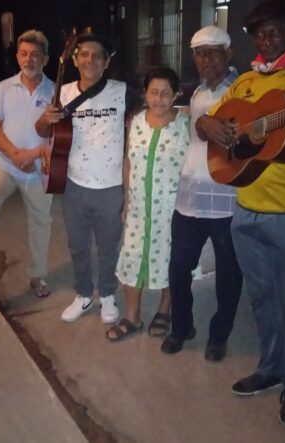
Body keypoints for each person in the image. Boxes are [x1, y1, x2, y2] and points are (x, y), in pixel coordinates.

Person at [195, 0, 285, 427]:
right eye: (260, 34)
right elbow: (211, 122)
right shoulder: (247, 84)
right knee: (262, 300)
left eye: (275, 31)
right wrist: (208, 126)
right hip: (245, 211)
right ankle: (272, 367)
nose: (267, 39)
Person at [36, 34, 141, 324]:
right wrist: (46, 121)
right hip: (73, 184)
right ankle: (83, 295)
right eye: (84, 54)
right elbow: (43, 130)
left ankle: (107, 295)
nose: (90, 59)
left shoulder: (123, 92)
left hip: (111, 186)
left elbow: (151, 115)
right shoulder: (63, 91)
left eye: (97, 55)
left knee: (109, 246)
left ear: (107, 63)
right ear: (74, 59)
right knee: (78, 246)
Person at [160, 26, 243, 361]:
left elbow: (240, 131)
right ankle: (182, 327)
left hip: (226, 200)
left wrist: (210, 124)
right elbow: (195, 131)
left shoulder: (243, 88)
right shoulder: (195, 93)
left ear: (229, 53)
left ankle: (219, 334)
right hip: (189, 198)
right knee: (178, 269)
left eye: (213, 50)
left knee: (228, 276)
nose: (206, 58)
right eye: (199, 52)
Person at [105, 67, 189, 341]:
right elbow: (128, 161)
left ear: (176, 94)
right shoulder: (137, 121)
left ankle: (166, 307)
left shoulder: (185, 124)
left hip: (172, 207)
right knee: (131, 257)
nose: (159, 98)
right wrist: (127, 201)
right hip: (140, 206)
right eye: (154, 92)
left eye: (166, 93)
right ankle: (133, 316)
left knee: (171, 259)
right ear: (145, 94)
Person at [0, 29, 55, 298]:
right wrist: (16, 155)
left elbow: (57, 135)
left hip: (39, 170)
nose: (29, 60)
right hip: (5, 164)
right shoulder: (4, 87)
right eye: (24, 54)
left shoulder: (55, 91)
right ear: (17, 57)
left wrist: (34, 155)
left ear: (45, 59)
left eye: (35, 55)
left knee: (41, 223)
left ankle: (38, 276)